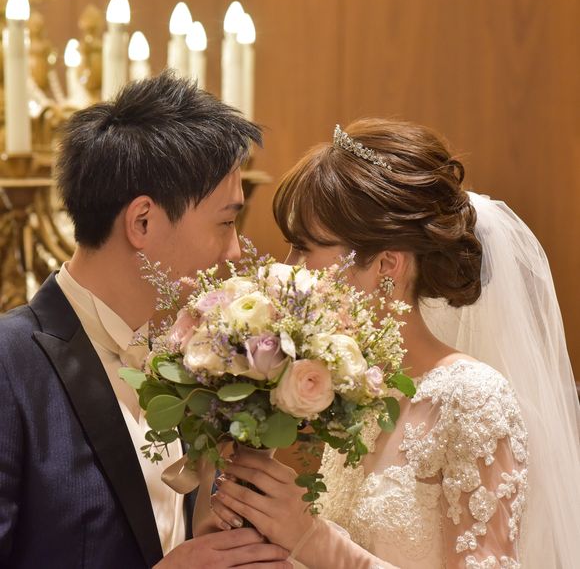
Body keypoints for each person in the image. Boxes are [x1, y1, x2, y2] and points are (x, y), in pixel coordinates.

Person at [210, 119, 580, 568]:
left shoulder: (473, 398)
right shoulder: (359, 389)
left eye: (304, 248)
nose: (288, 269)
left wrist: (313, 540)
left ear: (387, 265)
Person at [0, 72, 291, 569]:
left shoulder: (199, 358)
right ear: (142, 222)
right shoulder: (10, 364)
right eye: (226, 222)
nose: (235, 251)